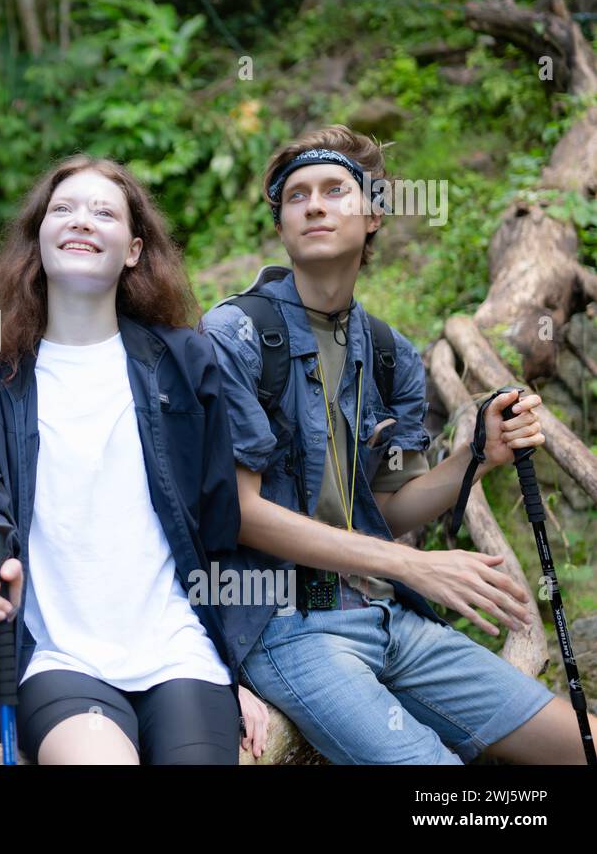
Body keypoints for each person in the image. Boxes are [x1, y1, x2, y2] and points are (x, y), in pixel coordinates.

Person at [200, 124, 596, 764]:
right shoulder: (235, 334)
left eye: (335, 189)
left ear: (374, 216)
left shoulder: (388, 354)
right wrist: (412, 565)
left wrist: (477, 456)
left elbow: (393, 504)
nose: (316, 205)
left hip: (389, 619)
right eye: (297, 196)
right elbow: (240, 513)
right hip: (287, 623)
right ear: (280, 225)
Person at [0, 154, 271, 765]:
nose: (81, 220)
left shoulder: (185, 362)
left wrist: (240, 670)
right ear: (38, 242)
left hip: (180, 649)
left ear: (135, 250)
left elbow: (222, 522)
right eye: (61, 209)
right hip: (57, 656)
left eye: (103, 212)